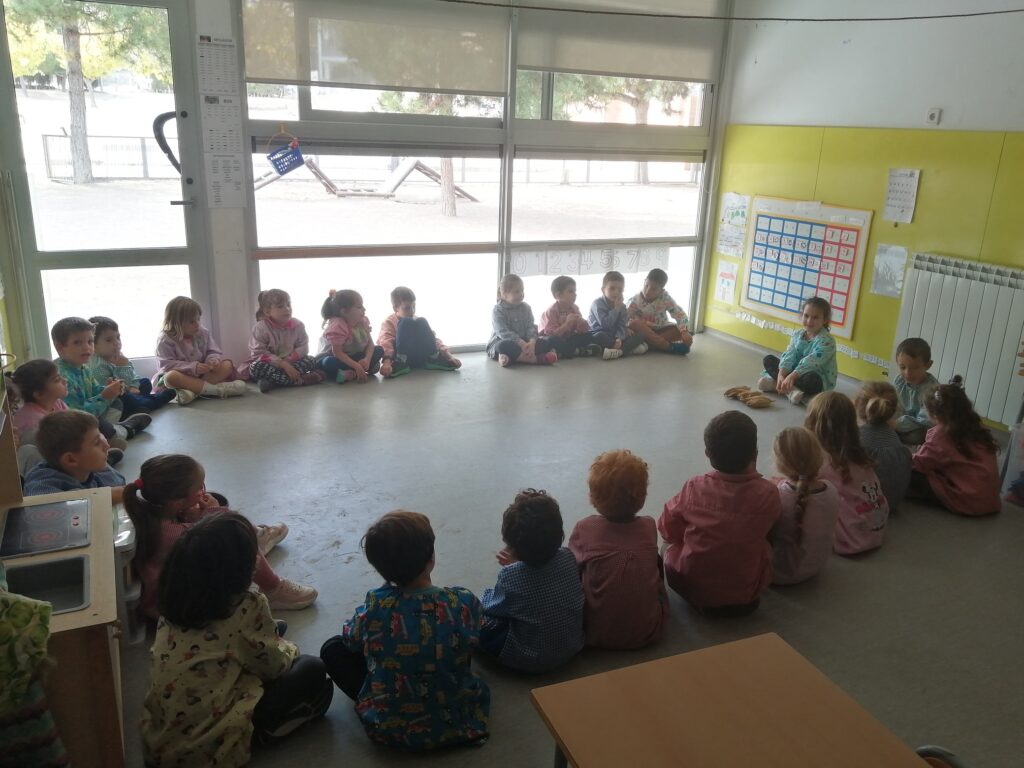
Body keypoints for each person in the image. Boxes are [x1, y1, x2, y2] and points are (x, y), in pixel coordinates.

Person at [141, 513, 333, 766]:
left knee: (259, 638)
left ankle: (263, 638)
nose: (258, 560)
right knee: (312, 667)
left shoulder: (172, 606)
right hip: (212, 750)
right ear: (237, 571)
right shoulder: (245, 606)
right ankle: (264, 732)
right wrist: (289, 648)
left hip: (159, 747)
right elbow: (275, 666)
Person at [319, 510, 490, 750]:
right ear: (431, 558)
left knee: (332, 648)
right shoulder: (461, 600)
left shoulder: (376, 605)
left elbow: (351, 640)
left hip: (389, 730)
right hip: (463, 720)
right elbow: (477, 632)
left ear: (381, 570)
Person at [124, 454, 316, 615]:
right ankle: (273, 588)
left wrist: (194, 515)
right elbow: (215, 537)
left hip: (174, 588)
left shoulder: (152, 511)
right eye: (199, 488)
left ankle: (255, 538)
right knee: (234, 535)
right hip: (181, 606)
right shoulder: (172, 534)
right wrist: (213, 512)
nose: (203, 491)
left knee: (228, 525)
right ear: (177, 501)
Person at [658, 411, 780, 617]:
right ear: (755, 454)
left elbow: (666, 528)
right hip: (747, 593)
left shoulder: (694, 487)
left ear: (707, 453)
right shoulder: (769, 492)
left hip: (693, 591)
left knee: (666, 545)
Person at [568, 450, 667, 649]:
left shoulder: (584, 528)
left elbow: (572, 569)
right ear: (642, 496)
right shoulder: (648, 526)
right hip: (649, 632)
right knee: (656, 558)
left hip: (593, 632)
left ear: (593, 497)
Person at [479, 489, 584, 672]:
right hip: (572, 645)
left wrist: (511, 569)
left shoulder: (511, 576)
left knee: (480, 623)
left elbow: (491, 607)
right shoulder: (568, 557)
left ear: (512, 545)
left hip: (530, 659)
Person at [805, 392, 889, 554]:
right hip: (875, 527)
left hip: (849, 539)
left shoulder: (822, 461)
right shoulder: (860, 455)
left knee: (794, 493)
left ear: (814, 424)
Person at [7, 359, 124, 470]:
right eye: (57, 380)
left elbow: (76, 424)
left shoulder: (57, 402)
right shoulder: (33, 421)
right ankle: (96, 462)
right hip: (55, 460)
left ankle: (99, 459)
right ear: (39, 394)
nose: (65, 380)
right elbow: (57, 450)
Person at [51, 316, 152, 439]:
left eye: (90, 341)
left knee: (118, 402)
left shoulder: (83, 367)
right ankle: (124, 430)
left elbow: (95, 390)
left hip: (90, 415)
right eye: (77, 342)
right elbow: (76, 416)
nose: (86, 347)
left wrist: (108, 388)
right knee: (104, 427)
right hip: (74, 426)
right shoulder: (61, 377)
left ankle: (115, 430)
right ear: (60, 347)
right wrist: (105, 396)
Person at [910, 384, 1001, 516]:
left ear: (934, 414)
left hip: (968, 501)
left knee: (908, 474)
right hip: (990, 501)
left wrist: (905, 455)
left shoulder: (941, 434)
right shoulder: (975, 426)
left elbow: (917, 464)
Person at [769, 427, 839, 585]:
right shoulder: (831, 489)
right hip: (816, 566)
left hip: (778, 573)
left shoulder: (777, 496)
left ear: (780, 465)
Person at [156, 296, 247, 404]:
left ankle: (193, 392)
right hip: (182, 377)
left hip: (204, 375)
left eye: (198, 319)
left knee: (227, 364)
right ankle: (217, 390)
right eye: (191, 322)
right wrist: (193, 367)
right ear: (176, 322)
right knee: (170, 377)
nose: (197, 324)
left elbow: (213, 351)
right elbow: (166, 365)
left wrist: (213, 360)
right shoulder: (165, 339)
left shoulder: (202, 332)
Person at [22, 411, 126, 501]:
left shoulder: (97, 471)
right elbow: (44, 505)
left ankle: (105, 458)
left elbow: (119, 484)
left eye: (101, 437)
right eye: (97, 443)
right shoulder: (42, 482)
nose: (107, 445)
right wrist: (105, 497)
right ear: (71, 460)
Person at [237, 289, 324, 393]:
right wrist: (282, 364)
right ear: (267, 312)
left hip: (292, 364)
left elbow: (303, 347)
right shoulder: (261, 328)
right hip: (269, 365)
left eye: (288, 304)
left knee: (311, 360)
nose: (287, 309)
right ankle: (302, 380)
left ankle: (272, 383)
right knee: (255, 367)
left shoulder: (298, 325)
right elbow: (258, 353)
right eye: (280, 306)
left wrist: (288, 362)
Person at [89, 315, 176, 414]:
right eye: (109, 340)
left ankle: (139, 402)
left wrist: (134, 386)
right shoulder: (97, 367)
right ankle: (155, 400)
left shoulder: (114, 355)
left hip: (126, 389)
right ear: (93, 345)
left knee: (145, 382)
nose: (116, 343)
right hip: (113, 401)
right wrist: (122, 366)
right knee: (130, 401)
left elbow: (133, 375)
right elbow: (114, 392)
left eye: (118, 337)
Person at [758, 297, 837, 405]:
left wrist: (792, 376)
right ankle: (789, 389)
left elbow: (812, 362)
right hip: (793, 372)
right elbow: (789, 354)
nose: (809, 321)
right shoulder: (798, 334)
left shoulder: (827, 341)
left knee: (812, 380)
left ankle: (778, 385)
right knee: (768, 359)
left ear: (824, 320)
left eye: (815, 317)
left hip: (810, 374)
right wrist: (781, 374)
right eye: (806, 316)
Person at [377, 286, 461, 378]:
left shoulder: (416, 320)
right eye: (407, 308)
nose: (412, 311)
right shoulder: (389, 322)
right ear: (396, 308)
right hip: (401, 359)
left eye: (414, 307)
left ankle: (433, 358)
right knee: (406, 321)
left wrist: (449, 356)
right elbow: (386, 342)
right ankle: (401, 362)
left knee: (422, 320)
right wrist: (387, 363)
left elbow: (434, 339)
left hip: (421, 357)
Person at [854, 381, 912, 510]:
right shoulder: (896, 442)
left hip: (866, 507)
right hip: (893, 502)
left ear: (856, 403)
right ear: (893, 410)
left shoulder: (855, 439)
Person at [539, 275, 621, 360]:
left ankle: (564, 351)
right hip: (554, 338)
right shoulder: (552, 311)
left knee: (588, 336)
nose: (575, 294)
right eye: (570, 291)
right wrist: (566, 325)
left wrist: (583, 324)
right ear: (558, 295)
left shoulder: (574, 308)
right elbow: (551, 334)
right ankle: (577, 351)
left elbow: (583, 330)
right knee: (551, 341)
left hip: (568, 339)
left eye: (575, 291)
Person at [487, 274, 557, 367]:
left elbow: (530, 326)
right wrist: (520, 343)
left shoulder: (526, 307)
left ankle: (511, 357)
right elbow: (502, 332)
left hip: (525, 341)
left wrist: (532, 343)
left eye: (522, 290)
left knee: (545, 342)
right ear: (504, 293)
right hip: (504, 340)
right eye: (517, 291)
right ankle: (534, 360)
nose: (521, 294)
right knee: (502, 346)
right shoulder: (498, 310)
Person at [316, 289, 384, 383]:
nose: (364, 309)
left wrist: (367, 360)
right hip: (336, 358)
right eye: (359, 307)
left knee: (379, 349)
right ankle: (356, 371)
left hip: (353, 356)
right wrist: (357, 366)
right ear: (344, 311)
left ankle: (350, 373)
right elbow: (338, 353)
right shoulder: (338, 326)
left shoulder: (363, 322)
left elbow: (370, 344)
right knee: (328, 362)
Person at [626, 268, 693, 355]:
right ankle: (669, 347)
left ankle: (647, 345)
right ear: (644, 281)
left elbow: (680, 314)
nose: (648, 291)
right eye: (646, 286)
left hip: (661, 330)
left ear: (661, 290)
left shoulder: (665, 298)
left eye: (654, 289)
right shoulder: (635, 300)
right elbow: (624, 317)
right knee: (633, 323)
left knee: (678, 330)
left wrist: (684, 331)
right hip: (643, 332)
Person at [588, 271, 647, 356]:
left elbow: (622, 324)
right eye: (612, 288)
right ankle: (626, 349)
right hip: (601, 332)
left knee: (641, 334)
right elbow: (605, 325)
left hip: (614, 334)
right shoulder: (597, 304)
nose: (616, 292)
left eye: (620, 290)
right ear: (603, 290)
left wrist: (618, 337)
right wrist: (616, 309)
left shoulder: (622, 306)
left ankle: (619, 351)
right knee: (598, 336)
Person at [892, 337, 939, 445]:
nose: (908, 373)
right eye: (902, 367)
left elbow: (925, 420)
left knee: (918, 436)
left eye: (915, 368)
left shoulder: (932, 389)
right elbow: (892, 404)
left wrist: (896, 424)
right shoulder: (899, 381)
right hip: (898, 423)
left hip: (919, 427)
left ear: (928, 365)